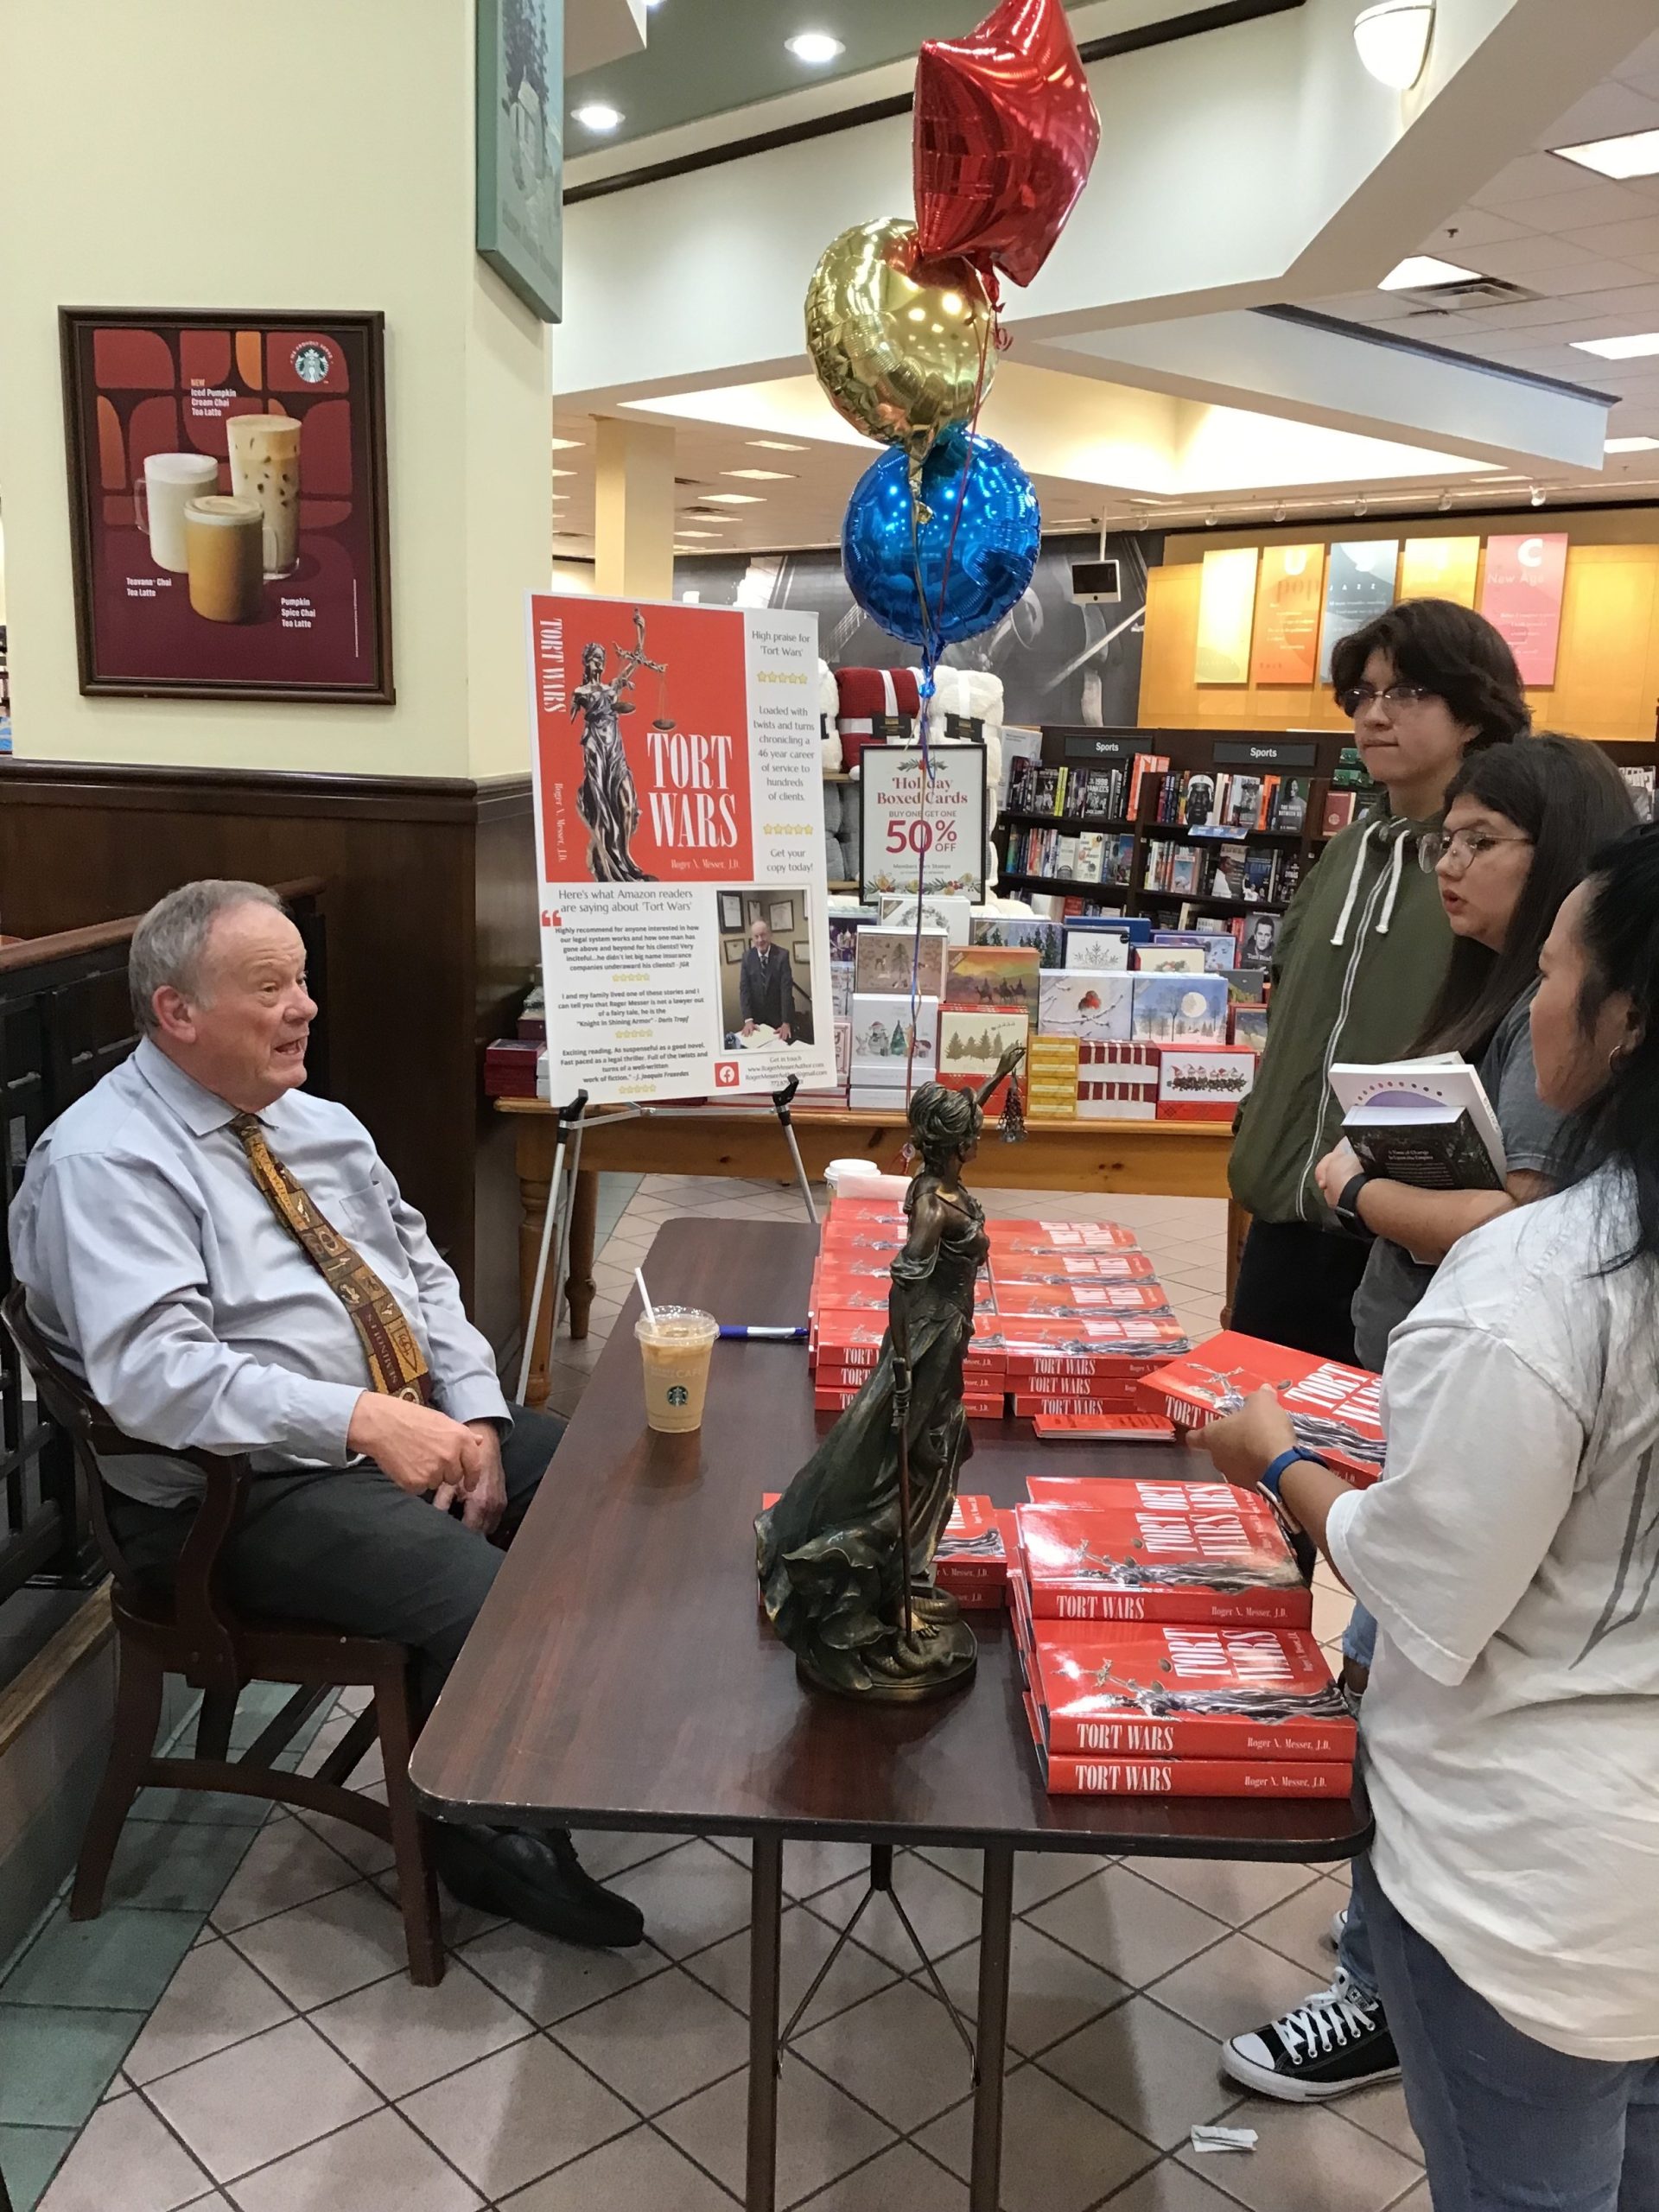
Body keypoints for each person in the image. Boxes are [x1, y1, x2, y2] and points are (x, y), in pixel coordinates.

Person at [9, 880, 643, 1951]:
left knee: (605, 1487)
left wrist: (476, 1416)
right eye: (271, 987)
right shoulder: (107, 1162)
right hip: (233, 1494)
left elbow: (421, 1272)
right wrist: (363, 1420)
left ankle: (521, 1744)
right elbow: (154, 1377)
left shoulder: (312, 1121)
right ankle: (493, 1836)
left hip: (385, 1425)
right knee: (488, 1597)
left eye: (304, 979)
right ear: (176, 1012)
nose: (305, 1006)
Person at [1201, 822, 1659, 2211]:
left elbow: (1431, 1592)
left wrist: (1278, 1463)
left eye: (1560, 968)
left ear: (1626, 1018)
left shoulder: (1537, 1289)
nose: (1534, 1003)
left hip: (1537, 1886)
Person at [1228, 599, 1530, 1363]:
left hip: (1407, 1238)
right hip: (1283, 1217)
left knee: (1366, 1466)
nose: (1375, 714)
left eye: (1407, 693)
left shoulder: (1504, 874)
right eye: (1363, 695)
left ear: (1473, 713)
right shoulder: (1348, 848)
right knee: (1261, 1448)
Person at [740, 916, 795, 1039]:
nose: (760, 940)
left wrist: (786, 1022)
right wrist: (748, 1020)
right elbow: (744, 990)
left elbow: (786, 991)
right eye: (756, 936)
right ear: (752, 938)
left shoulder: (782, 956)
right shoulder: (747, 958)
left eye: (763, 935)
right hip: (756, 1021)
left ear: (770, 935)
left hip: (779, 1018)